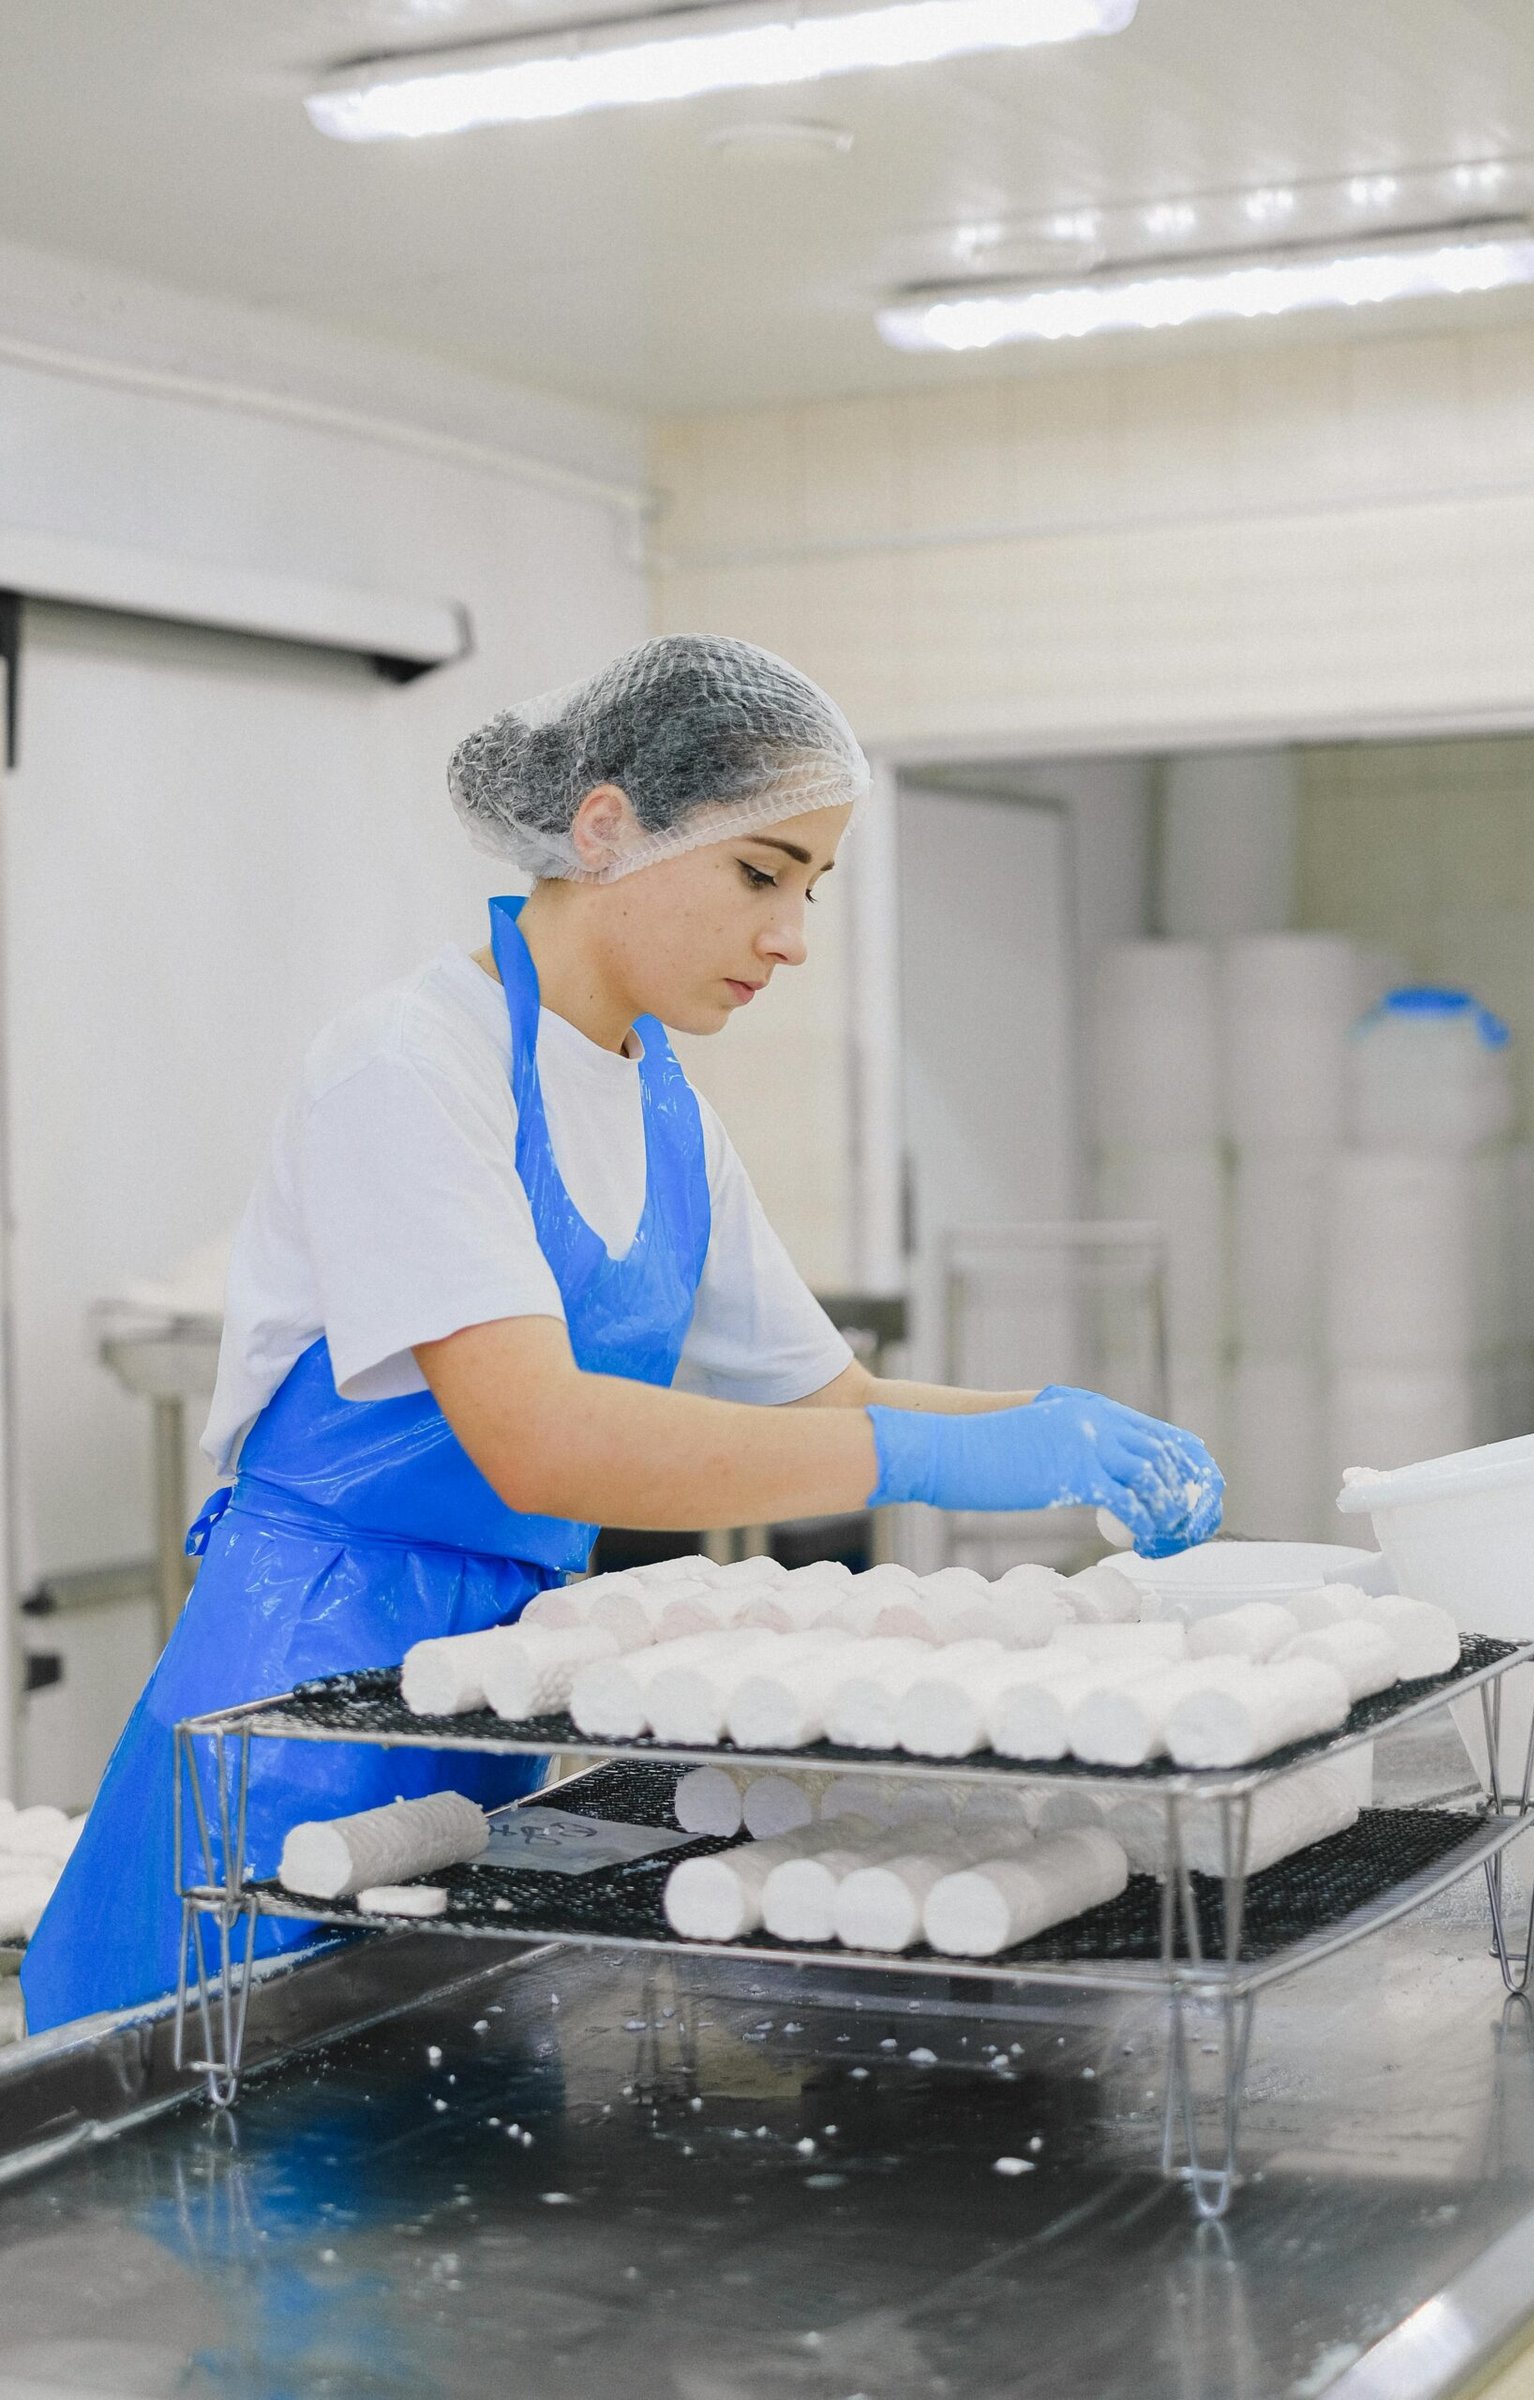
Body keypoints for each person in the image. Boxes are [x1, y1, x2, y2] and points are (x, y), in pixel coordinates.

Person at [22, 635, 1221, 2030]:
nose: (790, 935)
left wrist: (1057, 1430)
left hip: (490, 1695)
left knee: (418, 2133)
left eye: (812, 889)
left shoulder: (666, 1111)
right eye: (760, 874)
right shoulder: (411, 1064)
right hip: (301, 1695)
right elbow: (540, 1439)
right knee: (220, 2150)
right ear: (606, 829)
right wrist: (940, 1464)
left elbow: (824, 1397)